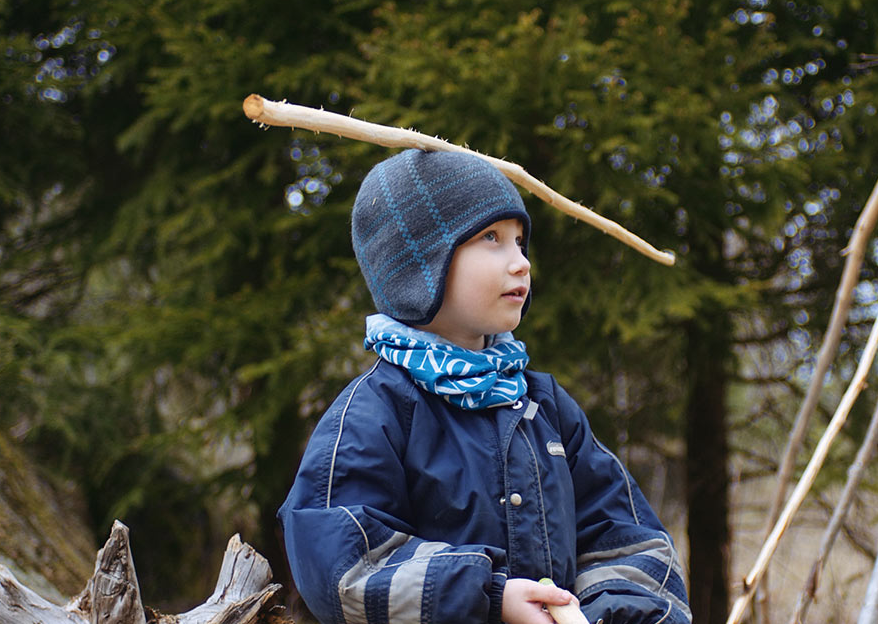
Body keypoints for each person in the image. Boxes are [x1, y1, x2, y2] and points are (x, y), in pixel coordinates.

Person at [278, 149, 691, 624]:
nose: (521, 263)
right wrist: (491, 598)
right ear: (420, 265)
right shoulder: (371, 414)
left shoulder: (544, 406)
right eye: (491, 238)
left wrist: (598, 615)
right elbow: (345, 568)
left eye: (520, 242)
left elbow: (630, 539)